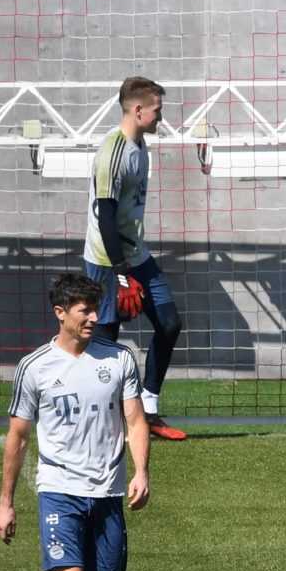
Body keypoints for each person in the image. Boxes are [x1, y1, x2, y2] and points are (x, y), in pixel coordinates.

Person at [0, 275, 151, 571]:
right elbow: (19, 437)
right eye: (83, 309)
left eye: (95, 308)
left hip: (107, 493)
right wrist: (6, 501)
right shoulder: (35, 367)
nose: (93, 317)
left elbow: (136, 421)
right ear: (60, 313)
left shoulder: (119, 359)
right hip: (60, 491)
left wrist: (141, 471)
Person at [82, 75, 187, 441]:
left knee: (170, 323)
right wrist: (123, 272)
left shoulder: (142, 148)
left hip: (135, 253)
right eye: (158, 110)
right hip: (106, 258)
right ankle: (107, 422)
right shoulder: (112, 153)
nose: (162, 117)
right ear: (138, 109)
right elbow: (105, 216)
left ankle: (150, 408)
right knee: (106, 343)